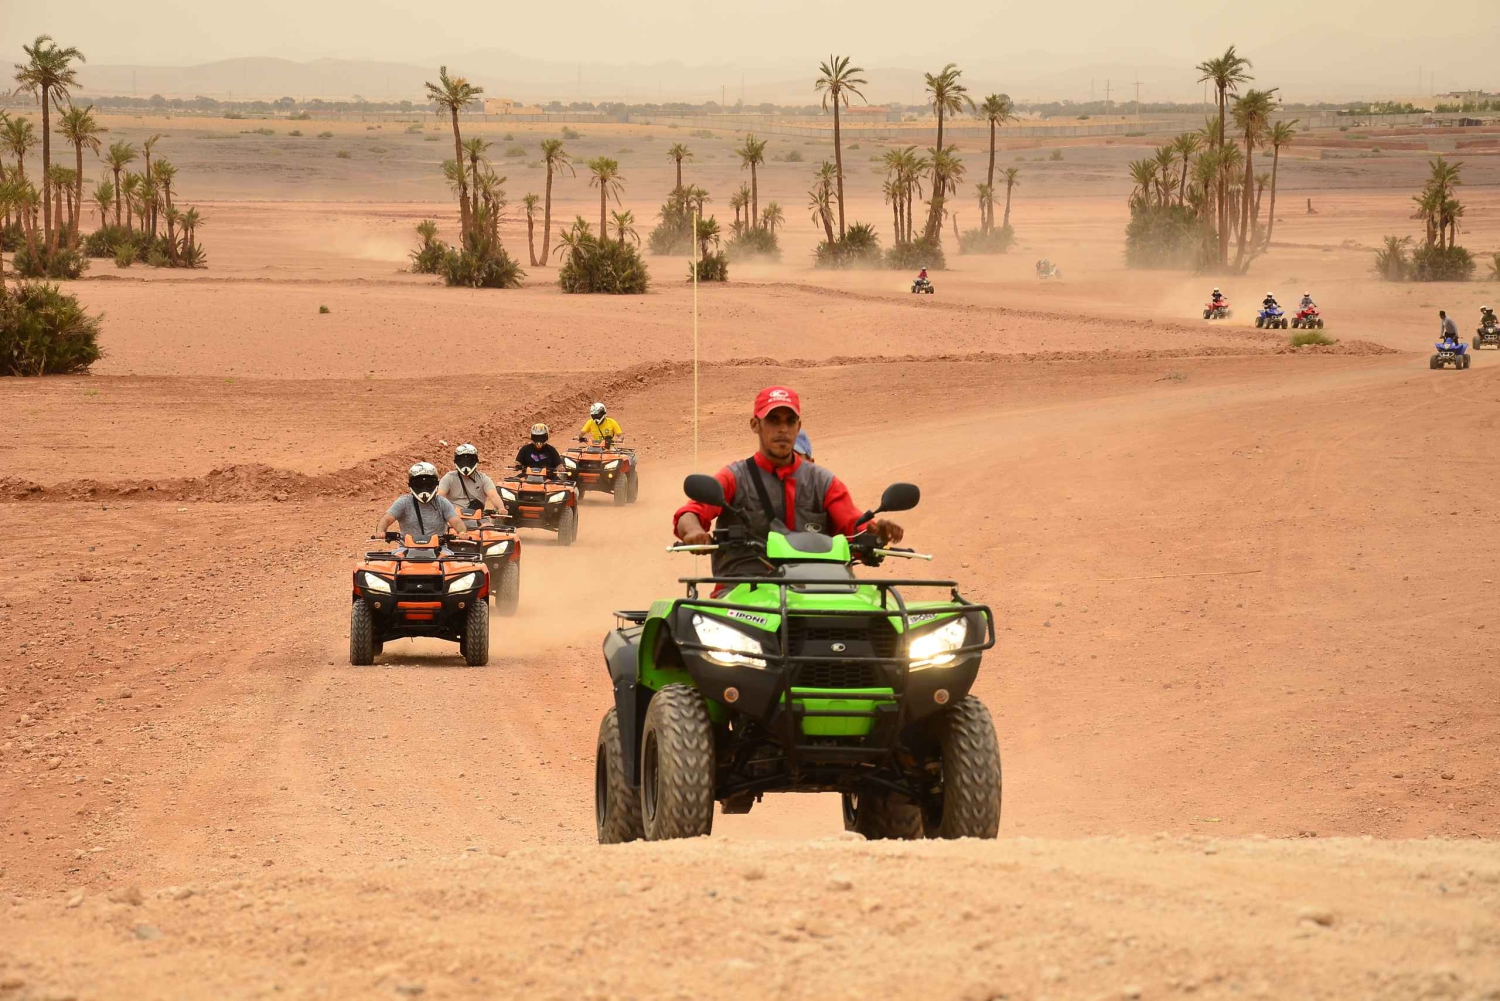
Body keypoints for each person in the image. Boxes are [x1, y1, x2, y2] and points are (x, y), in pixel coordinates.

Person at [674, 386, 904, 581]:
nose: (782, 429)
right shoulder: (734, 477)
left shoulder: (824, 482)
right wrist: (694, 531)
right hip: (744, 594)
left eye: (790, 421)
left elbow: (853, 526)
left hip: (818, 590)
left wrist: (876, 534)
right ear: (755, 424)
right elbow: (691, 512)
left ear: (798, 426)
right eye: (773, 420)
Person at [377, 462, 468, 540]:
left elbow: (456, 521)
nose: (424, 488)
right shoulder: (403, 502)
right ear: (411, 485)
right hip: (406, 549)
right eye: (419, 484)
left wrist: (462, 532)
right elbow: (386, 519)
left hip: (439, 549)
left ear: (436, 484)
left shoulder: (442, 502)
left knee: (451, 560)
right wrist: (381, 531)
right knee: (392, 560)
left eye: (428, 484)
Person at [438, 443, 504, 517]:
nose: (466, 464)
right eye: (462, 461)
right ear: (456, 461)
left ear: (476, 461)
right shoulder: (449, 478)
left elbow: (493, 495)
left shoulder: (483, 479)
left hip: (478, 517)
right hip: (454, 518)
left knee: (488, 527)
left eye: (469, 460)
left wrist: (501, 508)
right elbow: (440, 496)